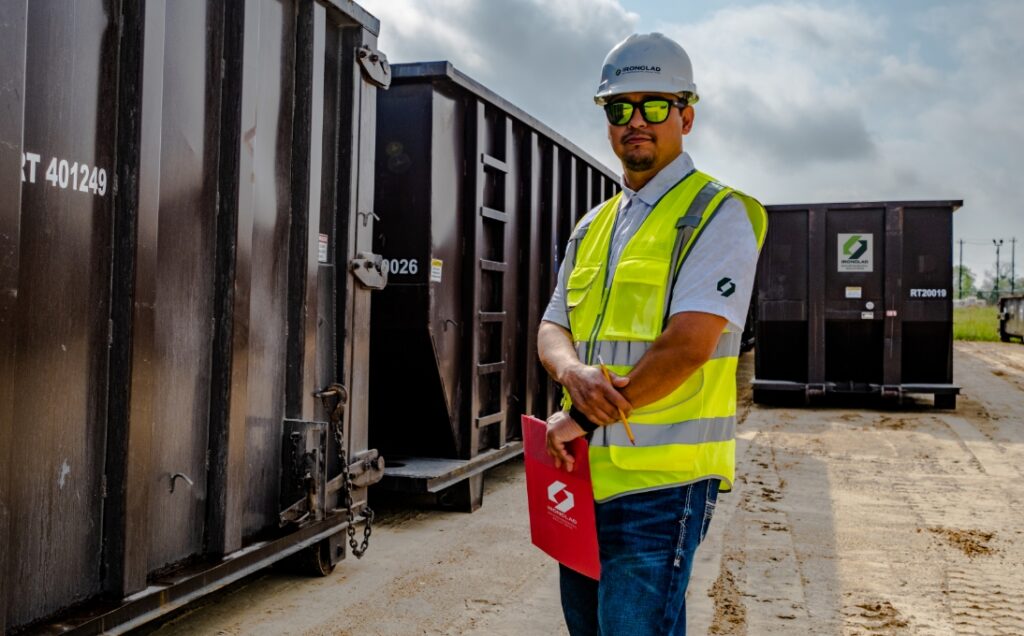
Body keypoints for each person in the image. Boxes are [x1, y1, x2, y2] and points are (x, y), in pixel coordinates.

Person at [536, 32, 768, 635]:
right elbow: (553, 325)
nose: (635, 121)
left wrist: (579, 417)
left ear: (686, 115)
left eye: (655, 105)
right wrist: (570, 372)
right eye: (620, 108)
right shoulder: (595, 226)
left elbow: (689, 345)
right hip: (583, 475)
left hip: (662, 489)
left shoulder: (718, 213)